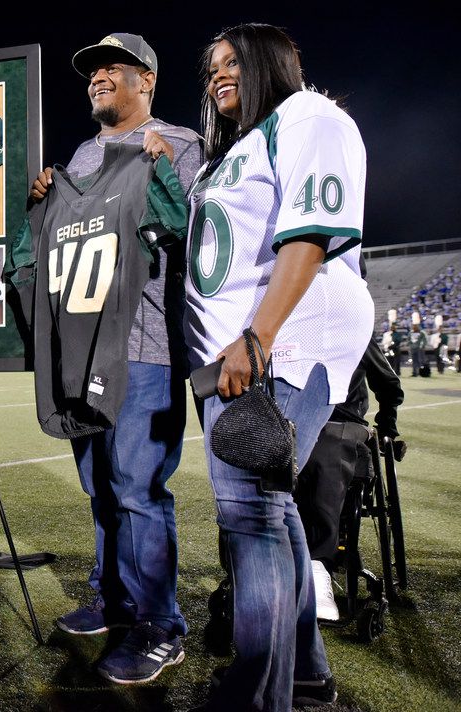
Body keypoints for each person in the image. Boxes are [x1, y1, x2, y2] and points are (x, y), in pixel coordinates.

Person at [182, 23, 372, 711]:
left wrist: (258, 339)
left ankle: (256, 693)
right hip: (236, 348)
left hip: (281, 340)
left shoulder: (309, 115)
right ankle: (305, 676)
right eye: (210, 68)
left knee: (251, 515)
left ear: (272, 63)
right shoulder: (239, 145)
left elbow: (311, 235)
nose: (217, 76)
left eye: (232, 62)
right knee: (270, 509)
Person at [27, 32, 203, 684]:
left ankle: (163, 626)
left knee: (137, 490)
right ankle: (115, 598)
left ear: (147, 79)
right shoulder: (81, 152)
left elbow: (188, 231)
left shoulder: (180, 142)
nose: (99, 76)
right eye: (94, 70)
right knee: (99, 488)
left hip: (144, 346)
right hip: (83, 345)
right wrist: (46, 198)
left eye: (113, 68)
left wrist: (157, 170)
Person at [295, 336, 403, 622]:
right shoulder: (279, 320)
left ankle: (318, 565)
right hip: (290, 418)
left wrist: (387, 425)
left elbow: (389, 385)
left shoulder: (353, 325)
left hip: (340, 421)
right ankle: (249, 568)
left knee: (328, 443)